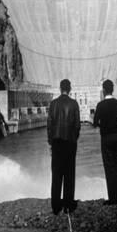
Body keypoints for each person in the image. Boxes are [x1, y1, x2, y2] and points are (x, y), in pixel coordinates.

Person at [47, 79, 80, 215]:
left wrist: (51, 142)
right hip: (70, 143)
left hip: (56, 143)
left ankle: (55, 206)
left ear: (60, 89)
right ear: (69, 89)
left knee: (56, 174)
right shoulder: (74, 104)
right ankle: (67, 205)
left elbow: (49, 125)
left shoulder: (53, 104)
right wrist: (73, 140)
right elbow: (77, 126)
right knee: (69, 174)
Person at [93, 79, 117, 205]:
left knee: (109, 167)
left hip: (106, 138)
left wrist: (102, 124)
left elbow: (95, 123)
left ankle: (113, 198)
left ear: (104, 90)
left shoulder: (100, 105)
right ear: (112, 89)